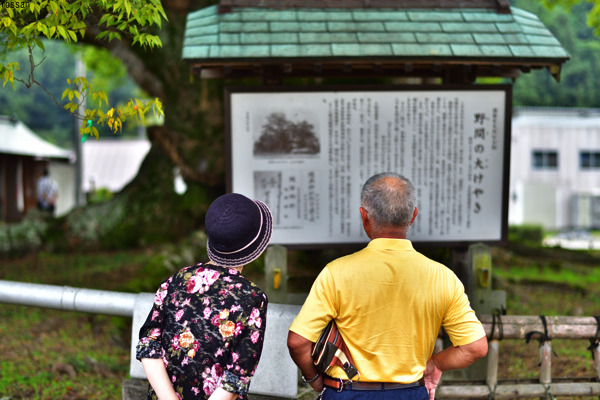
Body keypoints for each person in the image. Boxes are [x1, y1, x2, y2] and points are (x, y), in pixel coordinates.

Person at [287, 172, 488, 400]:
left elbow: (298, 341)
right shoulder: (443, 277)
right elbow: (475, 347)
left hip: (348, 393)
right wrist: (435, 363)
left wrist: (314, 380)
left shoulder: (336, 272)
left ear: (364, 216)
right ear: (413, 216)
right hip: (410, 393)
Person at [136, 193, 273, 400]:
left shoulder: (176, 281)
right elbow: (235, 378)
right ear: (257, 249)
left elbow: (148, 343)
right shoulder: (252, 299)